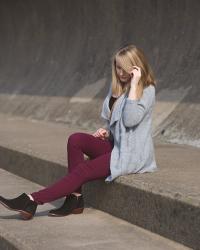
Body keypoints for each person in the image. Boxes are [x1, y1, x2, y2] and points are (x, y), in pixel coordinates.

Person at [0, 44, 158, 220]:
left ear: (136, 67)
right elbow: (115, 121)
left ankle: (32, 199)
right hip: (116, 145)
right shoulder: (118, 88)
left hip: (131, 154)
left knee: (83, 169)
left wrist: (135, 84)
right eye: (117, 67)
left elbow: (130, 120)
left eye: (124, 68)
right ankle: (75, 198)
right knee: (76, 139)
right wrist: (106, 131)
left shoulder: (146, 90)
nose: (120, 72)